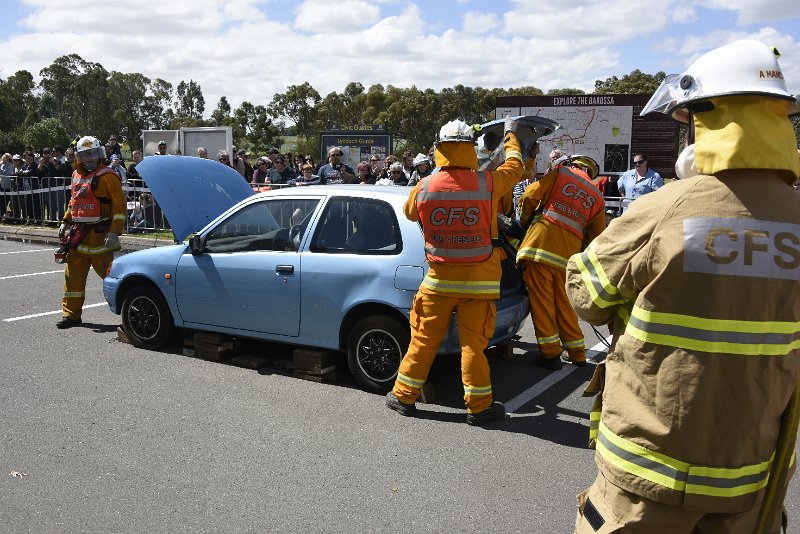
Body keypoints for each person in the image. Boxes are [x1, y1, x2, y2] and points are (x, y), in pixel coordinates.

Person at [567, 40, 800, 533]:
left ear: (705, 120)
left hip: (645, 480)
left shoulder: (669, 206)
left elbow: (586, 295)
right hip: (748, 483)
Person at [385, 118, 526, 426]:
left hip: (437, 281)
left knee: (422, 340)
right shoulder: (486, 182)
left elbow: (410, 212)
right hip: (479, 284)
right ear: (469, 150)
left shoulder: (424, 186)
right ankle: (479, 408)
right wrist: (512, 136)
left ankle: (403, 396)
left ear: (440, 150)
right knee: (473, 347)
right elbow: (515, 168)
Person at [516, 154, 605, 369]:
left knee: (543, 304)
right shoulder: (598, 198)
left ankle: (550, 354)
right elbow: (597, 237)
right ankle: (577, 353)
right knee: (564, 305)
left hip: (540, 248)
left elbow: (529, 196)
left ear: (572, 164)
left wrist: (525, 222)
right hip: (567, 259)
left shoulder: (560, 174)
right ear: (590, 173)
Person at [57, 135, 126, 329]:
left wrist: (114, 232)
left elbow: (119, 206)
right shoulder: (76, 175)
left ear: (100, 155)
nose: (89, 159)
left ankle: (133, 314)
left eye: (93, 154)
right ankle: (70, 316)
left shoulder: (108, 176)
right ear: (79, 157)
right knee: (73, 279)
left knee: (112, 278)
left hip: (101, 237)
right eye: (85, 155)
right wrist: (65, 222)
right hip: (79, 236)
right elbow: (74, 202)